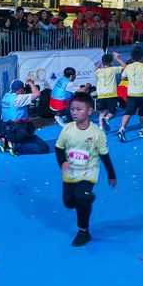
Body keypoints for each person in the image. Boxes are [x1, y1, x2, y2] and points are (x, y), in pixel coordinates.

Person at [55, 92, 117, 247]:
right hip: (70, 173)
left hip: (89, 173)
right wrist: (62, 162)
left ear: (89, 111)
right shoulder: (67, 129)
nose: (74, 113)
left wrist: (111, 175)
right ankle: (87, 198)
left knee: (80, 198)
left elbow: (104, 155)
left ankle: (83, 232)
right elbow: (59, 148)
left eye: (79, 109)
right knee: (69, 202)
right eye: (72, 109)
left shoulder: (97, 133)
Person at [0, 79, 49, 156]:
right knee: (44, 148)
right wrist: (31, 83)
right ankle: (16, 147)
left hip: (7, 129)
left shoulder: (6, 97)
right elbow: (37, 94)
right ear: (20, 90)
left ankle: (7, 141)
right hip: (19, 131)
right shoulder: (19, 99)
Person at [116, 46, 143, 142]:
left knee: (128, 112)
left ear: (131, 57)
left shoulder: (128, 67)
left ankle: (122, 128)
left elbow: (123, 77)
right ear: (142, 57)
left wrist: (130, 78)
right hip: (142, 93)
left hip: (131, 93)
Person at [94, 52, 127, 132]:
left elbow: (95, 69)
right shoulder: (113, 69)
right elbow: (125, 66)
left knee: (102, 112)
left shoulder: (99, 71)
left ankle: (101, 128)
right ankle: (107, 118)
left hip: (101, 95)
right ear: (111, 62)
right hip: (112, 95)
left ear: (103, 62)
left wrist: (101, 61)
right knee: (113, 112)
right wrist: (117, 57)